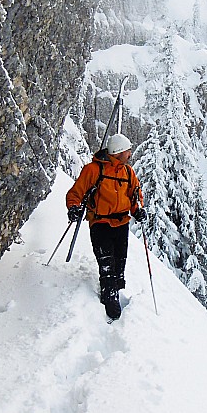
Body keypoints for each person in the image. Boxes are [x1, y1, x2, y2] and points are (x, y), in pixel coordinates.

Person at [66, 133, 146, 320]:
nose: (130, 154)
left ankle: (116, 290)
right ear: (118, 153)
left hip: (121, 223)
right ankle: (110, 298)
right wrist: (74, 208)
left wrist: (138, 210)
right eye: (128, 151)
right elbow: (75, 193)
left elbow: (135, 195)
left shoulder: (128, 172)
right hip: (100, 222)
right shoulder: (93, 170)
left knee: (120, 261)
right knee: (107, 262)